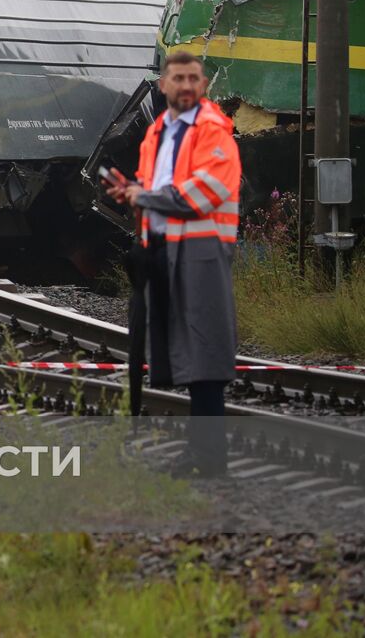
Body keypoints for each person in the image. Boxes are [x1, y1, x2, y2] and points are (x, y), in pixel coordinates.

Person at [104, 50, 241, 477]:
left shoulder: (216, 132)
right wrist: (133, 190)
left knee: (204, 354)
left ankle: (212, 461)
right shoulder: (157, 133)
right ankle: (197, 452)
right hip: (162, 251)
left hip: (201, 252)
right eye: (177, 78)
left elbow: (198, 196)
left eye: (193, 79)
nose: (185, 86)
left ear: (203, 86)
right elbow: (159, 188)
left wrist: (140, 196)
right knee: (176, 350)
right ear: (162, 85)